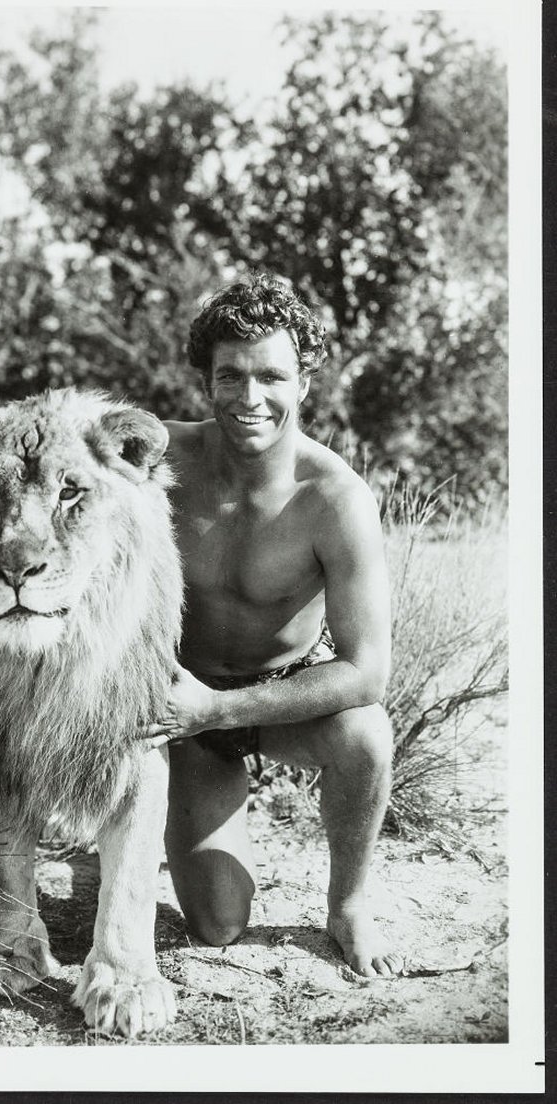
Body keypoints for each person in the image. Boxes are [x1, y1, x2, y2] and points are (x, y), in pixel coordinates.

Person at [146, 273, 404, 978]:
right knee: (216, 926)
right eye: (229, 376)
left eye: (271, 376)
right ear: (206, 380)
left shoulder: (335, 498)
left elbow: (366, 670)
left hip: (277, 697)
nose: (249, 398)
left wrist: (221, 708)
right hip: (185, 716)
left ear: (305, 382)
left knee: (365, 733)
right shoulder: (157, 459)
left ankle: (347, 902)